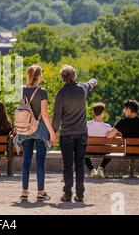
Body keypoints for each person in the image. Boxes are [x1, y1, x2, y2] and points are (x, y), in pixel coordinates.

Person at [52, 65, 97, 203]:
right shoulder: (82, 88)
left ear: (63, 78)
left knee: (67, 165)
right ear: (74, 75)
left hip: (66, 134)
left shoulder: (61, 93)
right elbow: (91, 84)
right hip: (82, 133)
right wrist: (94, 80)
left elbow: (57, 118)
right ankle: (80, 194)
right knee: (79, 163)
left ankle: (67, 193)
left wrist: (53, 132)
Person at [15, 65, 57, 202]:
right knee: (40, 161)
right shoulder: (42, 92)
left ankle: (24, 192)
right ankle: (40, 192)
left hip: (26, 128)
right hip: (40, 129)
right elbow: (44, 114)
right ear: (39, 76)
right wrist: (52, 133)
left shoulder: (20, 90)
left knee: (26, 160)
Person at [107, 100, 139, 177]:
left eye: (125, 108)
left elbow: (109, 136)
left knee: (129, 146)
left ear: (129, 109)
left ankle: (131, 171)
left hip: (128, 151)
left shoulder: (122, 121)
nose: (123, 110)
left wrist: (118, 132)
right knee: (138, 146)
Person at [85, 102, 112, 178]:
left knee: (82, 150)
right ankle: (101, 167)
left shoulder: (86, 124)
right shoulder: (107, 126)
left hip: (89, 150)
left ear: (93, 112)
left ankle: (92, 169)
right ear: (103, 113)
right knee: (110, 149)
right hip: (103, 151)